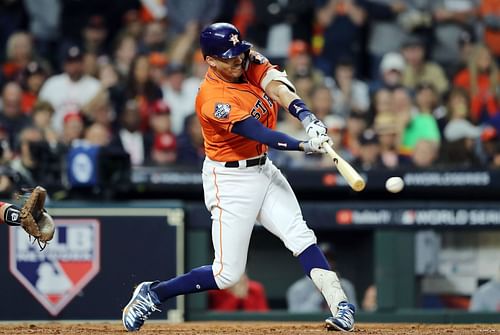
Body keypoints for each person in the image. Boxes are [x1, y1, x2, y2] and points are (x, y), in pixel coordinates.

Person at [122, 22, 356, 332]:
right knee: (226, 275)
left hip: (263, 168)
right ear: (210, 60)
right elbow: (257, 131)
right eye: (229, 56)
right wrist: (303, 143)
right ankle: (153, 293)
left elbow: (277, 87)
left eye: (239, 53)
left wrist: (306, 116)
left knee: (300, 235)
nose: (238, 60)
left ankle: (341, 306)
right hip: (229, 180)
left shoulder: (247, 60)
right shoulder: (212, 98)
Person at [287, 243, 357, 313]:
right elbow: (296, 316)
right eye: (322, 259)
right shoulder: (297, 288)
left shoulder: (345, 285)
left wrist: (338, 291)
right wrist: (320, 292)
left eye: (330, 259)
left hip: (337, 323)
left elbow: (355, 313)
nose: (326, 263)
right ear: (312, 261)